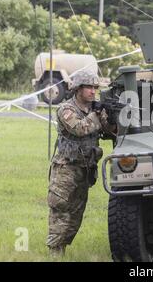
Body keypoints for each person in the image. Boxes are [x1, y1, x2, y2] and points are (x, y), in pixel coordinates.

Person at [46, 70, 113, 257]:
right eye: (89, 87)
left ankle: (63, 246)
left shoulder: (95, 109)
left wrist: (112, 117)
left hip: (85, 168)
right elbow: (80, 129)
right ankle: (55, 251)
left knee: (76, 212)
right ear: (78, 89)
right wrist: (97, 114)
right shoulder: (66, 109)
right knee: (60, 208)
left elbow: (109, 130)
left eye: (95, 88)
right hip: (66, 167)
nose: (93, 92)